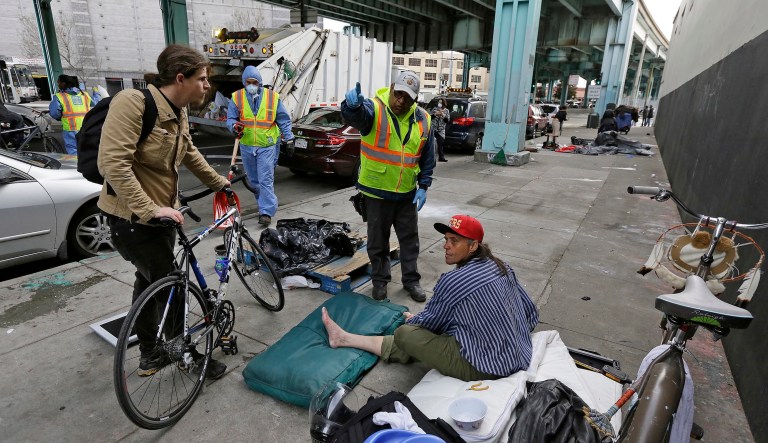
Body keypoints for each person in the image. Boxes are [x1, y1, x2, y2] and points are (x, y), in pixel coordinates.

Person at [98, 44, 230, 379]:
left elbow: (189, 152)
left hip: (162, 219)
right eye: (201, 78)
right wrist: (150, 208)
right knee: (173, 285)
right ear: (180, 77)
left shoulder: (179, 109)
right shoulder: (132, 103)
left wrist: (219, 184)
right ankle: (183, 352)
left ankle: (150, 354)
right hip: (132, 220)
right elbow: (113, 164)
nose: (207, 85)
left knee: (148, 284)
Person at [322, 215, 540, 381]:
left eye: (454, 241)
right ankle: (344, 339)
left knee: (406, 335)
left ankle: (344, 339)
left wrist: (412, 320)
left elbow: (431, 325)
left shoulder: (454, 281)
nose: (445, 246)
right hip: (520, 354)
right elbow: (530, 313)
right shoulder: (500, 265)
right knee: (445, 327)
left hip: (488, 368)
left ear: (473, 246)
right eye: (446, 239)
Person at [341, 71, 436, 302]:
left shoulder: (423, 119)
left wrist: (423, 186)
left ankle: (411, 281)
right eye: (399, 94)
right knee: (377, 242)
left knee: (410, 242)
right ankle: (380, 282)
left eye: (408, 97)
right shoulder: (374, 109)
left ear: (415, 99)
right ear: (392, 87)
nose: (401, 100)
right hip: (376, 192)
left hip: (406, 194)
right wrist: (351, 107)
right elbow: (357, 117)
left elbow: (427, 157)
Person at [226, 65, 294, 227]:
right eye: (248, 82)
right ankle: (263, 205)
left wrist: (289, 139)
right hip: (247, 145)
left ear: (260, 82)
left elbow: (283, 119)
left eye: (254, 82)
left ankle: (266, 211)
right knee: (254, 181)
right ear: (244, 82)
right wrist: (234, 126)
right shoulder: (237, 98)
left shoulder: (272, 97)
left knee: (265, 179)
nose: (251, 85)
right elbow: (231, 119)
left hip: (267, 145)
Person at [49, 74, 94, 154]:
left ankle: (76, 166)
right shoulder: (85, 95)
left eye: (58, 82)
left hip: (70, 129)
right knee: (86, 150)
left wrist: (60, 117)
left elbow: (54, 113)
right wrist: (96, 93)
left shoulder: (60, 96)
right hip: (86, 128)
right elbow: (95, 103)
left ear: (63, 83)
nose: (58, 84)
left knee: (73, 152)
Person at [430, 98, 449, 162]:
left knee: (440, 143)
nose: (439, 104)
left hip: (441, 130)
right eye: (439, 102)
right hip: (433, 128)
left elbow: (447, 120)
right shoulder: (435, 109)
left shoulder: (446, 111)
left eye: (441, 102)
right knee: (431, 143)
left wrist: (442, 115)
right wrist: (436, 114)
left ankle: (441, 157)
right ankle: (431, 157)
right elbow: (430, 117)